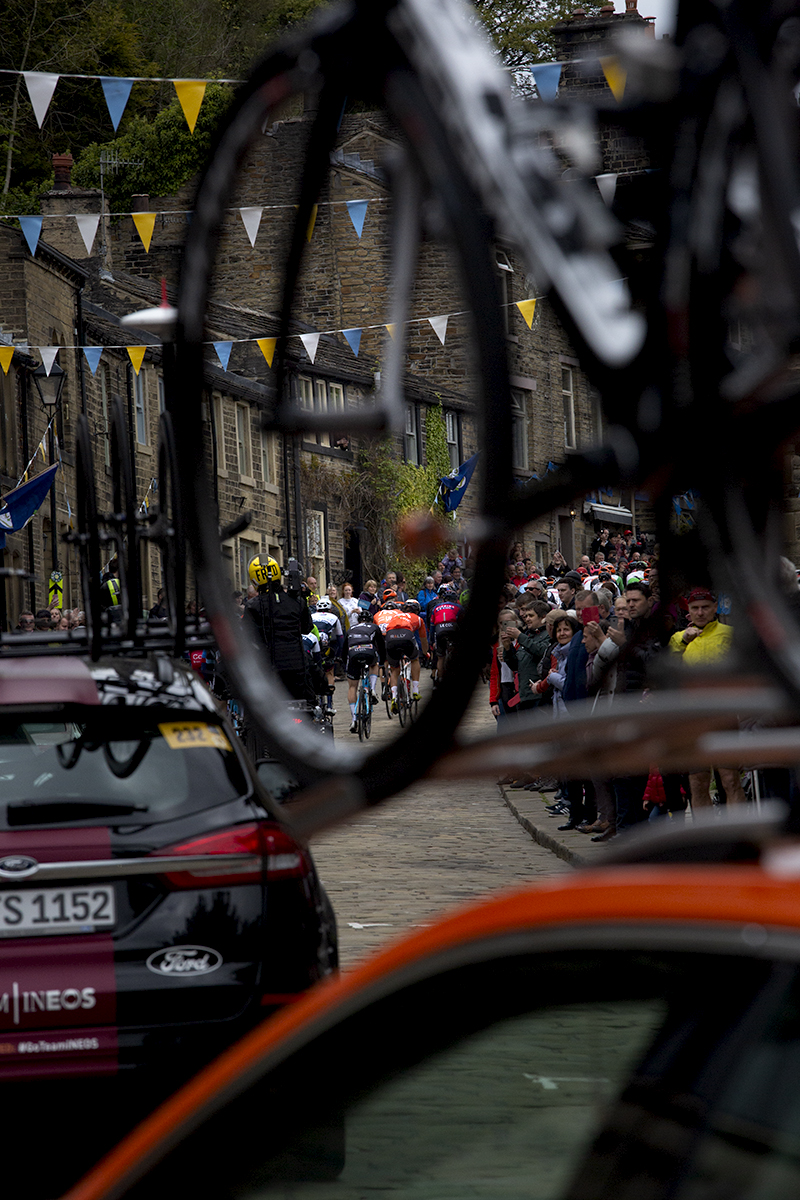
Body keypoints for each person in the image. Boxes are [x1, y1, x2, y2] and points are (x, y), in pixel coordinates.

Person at [669, 587, 745, 808]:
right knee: (697, 782)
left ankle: (739, 836)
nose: (700, 612)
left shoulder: (729, 634)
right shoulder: (678, 638)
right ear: (688, 612)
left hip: (724, 715)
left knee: (730, 780)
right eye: (695, 608)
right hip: (692, 719)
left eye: (705, 608)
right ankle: (708, 842)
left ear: (714, 609)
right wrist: (683, 640)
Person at [244, 555, 314, 702]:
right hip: (297, 665)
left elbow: (247, 636)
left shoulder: (253, 606)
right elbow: (307, 628)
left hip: (268, 668)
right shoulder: (297, 601)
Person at [374, 600, 429, 711]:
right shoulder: (418, 619)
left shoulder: (396, 616)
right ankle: (415, 690)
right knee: (414, 659)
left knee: (394, 670)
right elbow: (423, 640)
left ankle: (394, 697)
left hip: (390, 638)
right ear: (417, 610)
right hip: (406, 635)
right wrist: (425, 652)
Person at [342, 612, 384, 732]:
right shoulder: (374, 627)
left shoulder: (351, 629)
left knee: (352, 687)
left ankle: (354, 719)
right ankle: (372, 690)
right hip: (369, 651)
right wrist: (382, 663)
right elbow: (381, 646)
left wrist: (346, 665)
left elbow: (344, 650)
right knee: (374, 664)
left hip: (353, 653)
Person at [311, 597, 344, 707]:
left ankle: (315, 698)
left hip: (312, 645)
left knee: (314, 670)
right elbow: (340, 637)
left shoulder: (311, 616)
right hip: (325, 646)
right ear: (330, 609)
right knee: (329, 672)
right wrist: (340, 656)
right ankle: (329, 703)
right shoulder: (334, 617)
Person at [428, 586, 462, 684]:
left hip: (439, 630)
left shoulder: (436, 608)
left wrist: (432, 642)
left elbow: (432, 626)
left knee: (440, 657)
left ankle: (440, 679)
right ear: (455, 600)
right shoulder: (458, 607)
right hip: (453, 628)